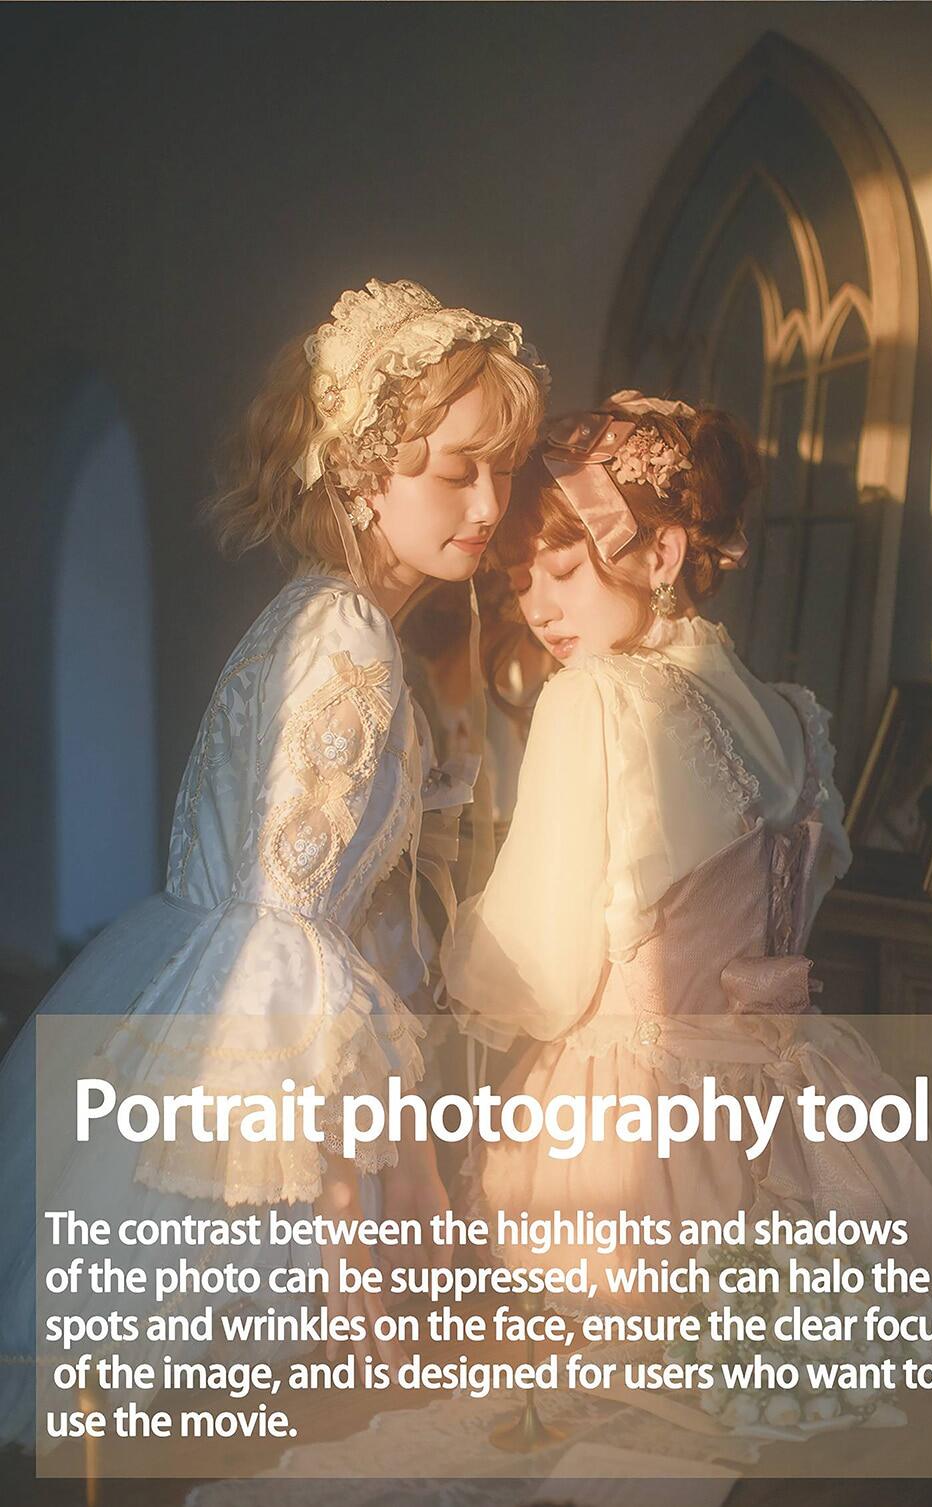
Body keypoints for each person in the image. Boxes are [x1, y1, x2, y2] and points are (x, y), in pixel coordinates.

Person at [0, 277, 547, 1442]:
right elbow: (291, 928)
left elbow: (331, 907)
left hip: (212, 983)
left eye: (502, 470)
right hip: (257, 1032)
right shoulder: (346, 632)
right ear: (363, 472)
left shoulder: (320, 612)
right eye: (459, 470)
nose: (491, 503)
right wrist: (344, 1209)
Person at [442, 392, 932, 1337]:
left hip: (637, 1128)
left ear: (662, 554)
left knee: (611, 1400)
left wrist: (447, 947)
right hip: (795, 1107)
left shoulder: (594, 701)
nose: (536, 607)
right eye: (520, 578)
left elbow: (541, 976)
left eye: (563, 568)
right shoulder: (796, 720)